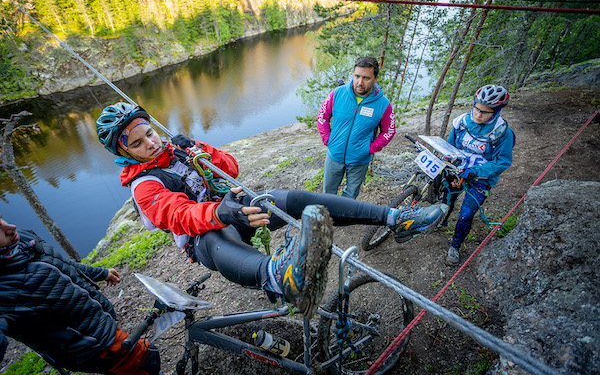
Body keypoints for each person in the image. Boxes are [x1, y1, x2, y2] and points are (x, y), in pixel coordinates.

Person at [95, 103, 447, 318]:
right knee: (215, 236)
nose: (151, 143)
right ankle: (280, 277)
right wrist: (220, 213)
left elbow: (229, 168)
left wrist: (198, 147)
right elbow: (177, 215)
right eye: (138, 143)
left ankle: (395, 218)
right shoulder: (144, 186)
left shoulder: (178, 150)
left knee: (286, 198)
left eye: (149, 133)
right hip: (206, 234)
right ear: (125, 153)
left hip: (232, 209)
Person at [0, 217, 160, 374]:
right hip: (92, 345)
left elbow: (62, 263)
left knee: (144, 359)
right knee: (147, 360)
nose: (11, 227)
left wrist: (101, 273)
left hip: (100, 320)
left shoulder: (22, 239)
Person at [444, 85, 515, 266]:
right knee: (447, 200)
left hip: (481, 178)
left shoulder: (503, 132)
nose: (478, 114)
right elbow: (450, 147)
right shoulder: (461, 123)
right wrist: (446, 159)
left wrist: (476, 171)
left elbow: (502, 162)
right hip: (458, 170)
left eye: (484, 112)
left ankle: (455, 246)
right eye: (476, 108)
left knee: (466, 214)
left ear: (496, 112)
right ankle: (442, 221)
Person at [317, 56, 396, 199]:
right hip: (334, 155)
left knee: (350, 197)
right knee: (328, 194)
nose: (360, 82)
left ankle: (343, 214)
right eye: (357, 76)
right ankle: (328, 213)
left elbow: (389, 131)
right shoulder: (337, 94)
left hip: (359, 160)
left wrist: (369, 149)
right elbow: (322, 117)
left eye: (366, 78)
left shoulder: (383, 104)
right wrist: (328, 140)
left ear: (375, 78)